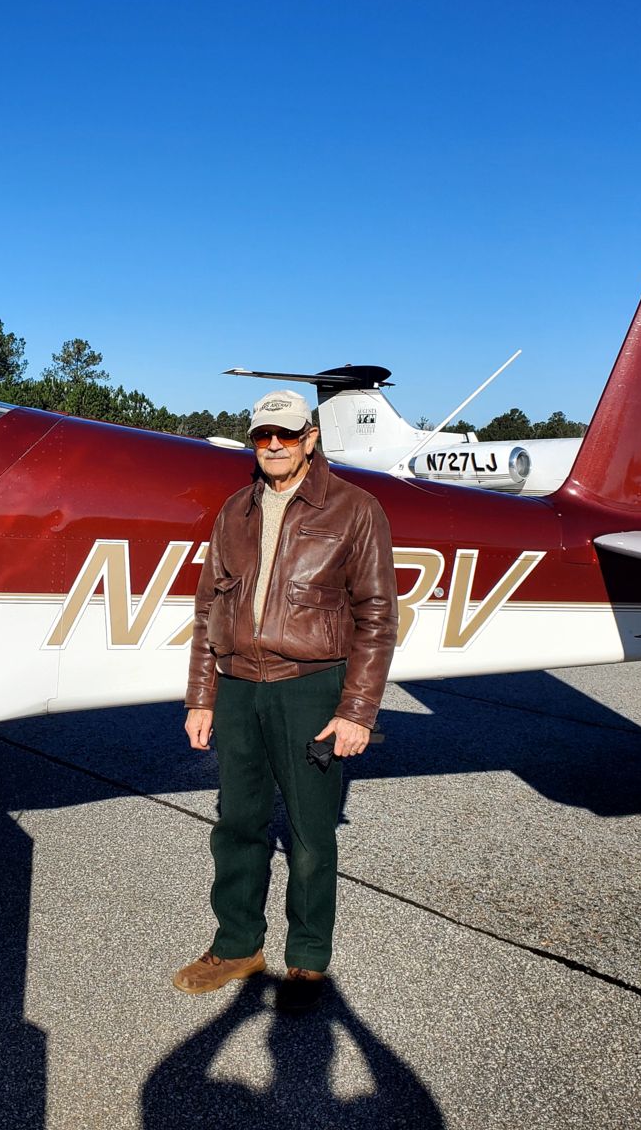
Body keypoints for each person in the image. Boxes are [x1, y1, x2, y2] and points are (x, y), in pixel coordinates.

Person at [176, 388, 397, 1014]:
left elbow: (376, 617)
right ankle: (237, 944)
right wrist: (202, 697)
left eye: (287, 434)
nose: (273, 445)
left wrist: (357, 709)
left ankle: (306, 963)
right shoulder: (234, 511)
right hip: (240, 685)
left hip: (312, 687)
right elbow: (206, 609)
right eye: (262, 436)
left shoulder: (355, 509)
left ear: (311, 438)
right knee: (237, 824)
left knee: (310, 832)